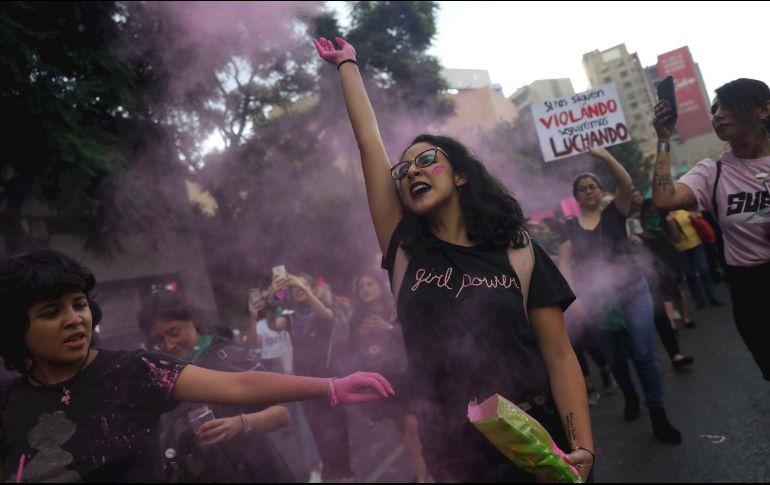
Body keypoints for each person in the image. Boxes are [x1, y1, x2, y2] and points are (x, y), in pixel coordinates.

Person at [314, 36, 593, 482]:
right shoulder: (404, 249)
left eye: (427, 160)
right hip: (454, 451)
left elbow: (559, 355)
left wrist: (581, 447)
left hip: (538, 439)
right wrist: (348, 65)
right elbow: (369, 143)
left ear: (460, 174)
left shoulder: (517, 249)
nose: (412, 172)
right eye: (403, 171)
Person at [0, 250, 394, 482]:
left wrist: (331, 386)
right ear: (17, 328)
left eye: (79, 304)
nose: (74, 319)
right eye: (52, 312)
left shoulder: (134, 370)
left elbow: (241, 387)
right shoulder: (8, 403)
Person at [558, 147, 682, 444]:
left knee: (643, 352)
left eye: (593, 186)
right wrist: (574, 301)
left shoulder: (616, 212)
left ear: (601, 191)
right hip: (598, 300)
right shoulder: (570, 226)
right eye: (583, 189)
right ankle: (628, 394)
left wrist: (604, 157)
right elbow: (564, 264)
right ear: (576, 197)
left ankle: (658, 413)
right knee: (616, 358)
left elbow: (626, 184)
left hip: (633, 290)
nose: (589, 191)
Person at [652, 78, 770, 381]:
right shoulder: (711, 172)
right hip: (752, 292)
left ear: (763, 110)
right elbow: (665, 198)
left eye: (728, 106)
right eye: (714, 108)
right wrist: (663, 138)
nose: (717, 114)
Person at [137, 289, 295, 482]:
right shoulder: (167, 372)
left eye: (175, 333)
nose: (169, 345)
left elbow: (282, 413)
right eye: (158, 340)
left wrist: (238, 423)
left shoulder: (228, 358)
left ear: (193, 320)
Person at [272, 270, 354, 482]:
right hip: (306, 384)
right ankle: (333, 474)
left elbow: (327, 316)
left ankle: (345, 474)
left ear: (310, 289)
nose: (298, 291)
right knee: (319, 432)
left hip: (329, 379)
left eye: (302, 287)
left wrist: (306, 288)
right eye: (295, 289)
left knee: (337, 430)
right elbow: (275, 324)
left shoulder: (322, 310)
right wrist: (275, 295)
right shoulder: (290, 318)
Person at [350, 271, 428, 482]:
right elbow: (350, 351)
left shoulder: (394, 308)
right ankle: (422, 471)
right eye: (361, 286)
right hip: (382, 380)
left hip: (406, 375)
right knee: (404, 428)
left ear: (379, 287)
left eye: (369, 284)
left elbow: (414, 334)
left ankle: (425, 470)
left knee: (414, 425)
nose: (365, 289)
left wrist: (388, 328)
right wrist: (359, 336)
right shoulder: (357, 318)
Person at [665, 209, 722, 309]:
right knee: (691, 275)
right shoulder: (666, 217)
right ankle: (699, 299)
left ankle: (711, 296)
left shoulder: (684, 212)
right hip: (681, 249)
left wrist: (695, 218)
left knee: (704, 270)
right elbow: (676, 238)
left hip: (696, 244)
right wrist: (671, 223)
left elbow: (699, 223)